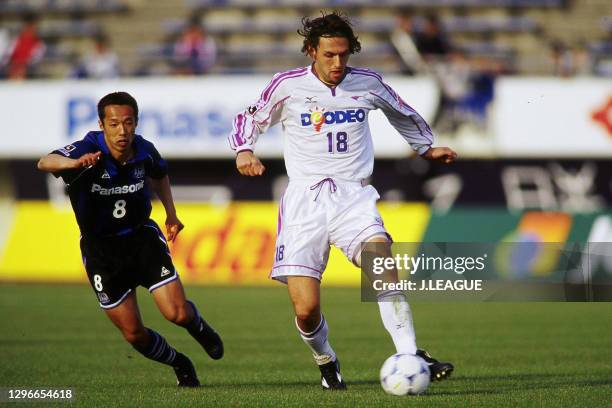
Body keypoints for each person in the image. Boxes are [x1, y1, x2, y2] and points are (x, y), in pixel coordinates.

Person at [229, 12, 456, 390]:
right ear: (311, 51)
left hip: (353, 196)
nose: (337, 64)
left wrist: (426, 147)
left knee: (382, 266)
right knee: (306, 309)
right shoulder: (287, 86)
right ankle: (326, 360)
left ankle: (410, 353)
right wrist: (244, 151)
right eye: (329, 55)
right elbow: (249, 119)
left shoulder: (367, 84)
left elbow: (403, 112)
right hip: (305, 202)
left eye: (344, 55)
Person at [37, 91, 223, 387]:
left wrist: (171, 215)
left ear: (135, 123)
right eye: (113, 124)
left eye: (128, 123)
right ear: (101, 124)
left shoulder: (144, 150)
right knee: (134, 334)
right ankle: (180, 362)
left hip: (142, 239)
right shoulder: (86, 149)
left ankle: (198, 326)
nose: (121, 131)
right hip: (101, 251)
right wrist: (72, 165)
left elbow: (159, 175)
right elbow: (45, 162)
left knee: (176, 312)